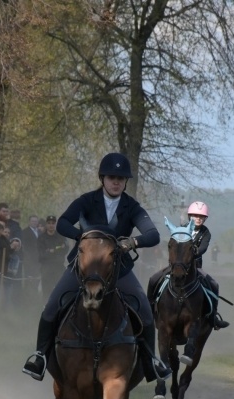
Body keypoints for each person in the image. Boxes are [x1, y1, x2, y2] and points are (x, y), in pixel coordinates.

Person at [22, 152, 171, 382]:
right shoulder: (86, 201)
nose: (116, 182)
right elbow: (62, 223)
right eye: (112, 177)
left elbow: (152, 234)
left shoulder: (132, 207)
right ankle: (40, 355)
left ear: (125, 182)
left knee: (144, 310)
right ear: (103, 178)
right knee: (52, 305)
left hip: (117, 269)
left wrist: (132, 242)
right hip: (81, 268)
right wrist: (81, 236)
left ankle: (150, 360)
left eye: (121, 179)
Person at [148, 201, 229, 329]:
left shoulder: (206, 233)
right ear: (189, 216)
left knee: (214, 285)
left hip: (195, 268)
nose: (198, 218)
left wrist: (193, 252)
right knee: (153, 279)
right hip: (177, 266)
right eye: (195, 215)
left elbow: (203, 248)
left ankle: (213, 317)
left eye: (201, 216)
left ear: (205, 218)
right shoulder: (182, 228)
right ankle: (149, 311)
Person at [37, 215, 67, 296]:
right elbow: (41, 254)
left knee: (60, 291)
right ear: (46, 224)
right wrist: (55, 251)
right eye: (49, 223)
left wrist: (51, 251)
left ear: (55, 224)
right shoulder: (41, 238)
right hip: (46, 269)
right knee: (47, 293)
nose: (51, 225)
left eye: (53, 223)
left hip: (58, 268)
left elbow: (65, 250)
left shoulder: (61, 237)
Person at [20, 215, 40, 302]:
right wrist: (28, 258)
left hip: (38, 261)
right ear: (29, 222)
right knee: (29, 280)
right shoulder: (25, 232)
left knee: (36, 280)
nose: (34, 223)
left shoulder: (40, 232)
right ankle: (27, 300)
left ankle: (35, 299)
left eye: (36, 221)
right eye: (32, 221)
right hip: (29, 260)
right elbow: (24, 247)